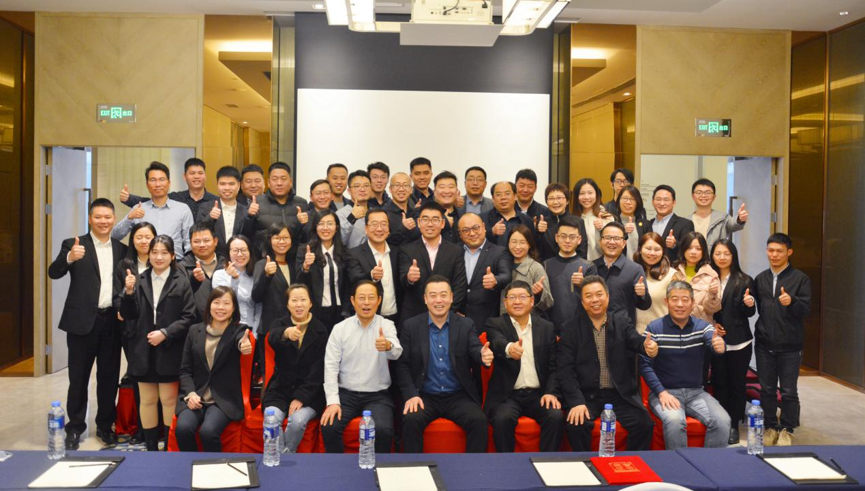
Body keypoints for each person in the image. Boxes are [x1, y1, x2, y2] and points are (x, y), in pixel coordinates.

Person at [48, 198, 127, 449]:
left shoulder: (122, 249)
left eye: (108, 217)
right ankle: (74, 427)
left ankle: (105, 425)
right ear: (90, 218)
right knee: (79, 378)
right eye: (98, 217)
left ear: (114, 219)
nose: (103, 221)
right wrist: (69, 258)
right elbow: (54, 272)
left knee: (108, 377)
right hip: (81, 322)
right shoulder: (73, 244)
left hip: (111, 322)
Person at [558, 275, 656, 451]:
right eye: (589, 296)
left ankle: (629, 463)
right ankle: (586, 464)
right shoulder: (570, 329)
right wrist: (577, 402)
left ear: (608, 297)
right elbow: (565, 370)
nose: (595, 300)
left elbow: (635, 341)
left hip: (619, 394)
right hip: (587, 396)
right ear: (583, 302)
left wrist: (647, 346)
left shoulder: (622, 323)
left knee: (644, 424)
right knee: (576, 425)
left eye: (599, 294)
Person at [397, 276, 492, 453]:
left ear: (451, 297)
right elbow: (402, 365)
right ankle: (414, 468)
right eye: (433, 295)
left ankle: (475, 468)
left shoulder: (465, 324)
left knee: (478, 420)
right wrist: (411, 395)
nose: (438, 300)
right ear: (425, 299)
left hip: (457, 395)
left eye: (443, 295)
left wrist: (482, 354)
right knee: (411, 419)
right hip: (424, 395)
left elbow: (475, 348)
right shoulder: (411, 326)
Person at [120, 235, 196, 451]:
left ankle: (168, 446)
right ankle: (151, 447)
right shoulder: (138, 279)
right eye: (154, 252)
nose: (159, 257)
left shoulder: (181, 281)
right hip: (142, 349)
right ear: (149, 255)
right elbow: (128, 314)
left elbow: (189, 317)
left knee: (169, 400)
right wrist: (128, 292)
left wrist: (166, 333)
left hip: (170, 349)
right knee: (147, 399)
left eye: (164, 253)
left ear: (172, 256)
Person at [640, 281, 730, 450]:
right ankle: (679, 464)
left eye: (685, 299)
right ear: (667, 302)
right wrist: (661, 393)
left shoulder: (702, 327)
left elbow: (713, 342)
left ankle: (710, 463)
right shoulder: (654, 328)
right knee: (675, 422)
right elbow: (644, 365)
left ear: (692, 302)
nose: (680, 304)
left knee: (722, 421)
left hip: (696, 393)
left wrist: (719, 345)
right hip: (665, 392)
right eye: (674, 299)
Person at [321, 280, 403, 453]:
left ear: (379, 300)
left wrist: (387, 346)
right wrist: (333, 401)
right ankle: (337, 466)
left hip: (377, 395)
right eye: (362, 298)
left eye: (371, 298)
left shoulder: (386, 325)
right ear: (352, 301)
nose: (366, 303)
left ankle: (379, 466)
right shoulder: (340, 329)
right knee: (330, 426)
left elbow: (396, 353)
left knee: (383, 430)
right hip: (346, 394)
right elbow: (330, 367)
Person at [485, 281, 564, 452]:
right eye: (512, 297)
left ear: (532, 300)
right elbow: (497, 341)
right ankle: (506, 463)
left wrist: (551, 392)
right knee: (502, 419)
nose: (517, 302)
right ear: (505, 302)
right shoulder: (495, 324)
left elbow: (554, 365)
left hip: (538, 394)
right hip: (508, 395)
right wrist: (509, 348)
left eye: (522, 297)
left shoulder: (546, 327)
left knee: (555, 416)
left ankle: (546, 462)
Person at [175, 287, 253, 452]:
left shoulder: (239, 330)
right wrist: (190, 393)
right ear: (209, 305)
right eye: (216, 302)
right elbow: (185, 370)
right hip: (196, 395)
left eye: (226, 303)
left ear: (233, 308)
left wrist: (244, 345)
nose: (221, 307)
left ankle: (215, 464)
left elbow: (241, 341)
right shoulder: (194, 331)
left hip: (222, 400)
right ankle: (190, 462)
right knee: (183, 429)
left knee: (208, 432)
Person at [753, 233, 811, 447]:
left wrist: (792, 301)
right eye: (771, 250)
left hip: (790, 346)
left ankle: (787, 429)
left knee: (788, 391)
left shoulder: (801, 279)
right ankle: (770, 426)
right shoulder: (760, 279)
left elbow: (806, 310)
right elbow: (759, 309)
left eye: (779, 251)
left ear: (789, 252)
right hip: (764, 344)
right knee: (766, 389)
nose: (774, 255)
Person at [262, 284, 328, 453]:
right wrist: (286, 333)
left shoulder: (321, 330)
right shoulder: (280, 324)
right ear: (287, 304)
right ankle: (280, 458)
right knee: (271, 420)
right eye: (294, 300)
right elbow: (272, 338)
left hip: (310, 393)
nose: (299, 304)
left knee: (297, 421)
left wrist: (301, 397)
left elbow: (319, 371)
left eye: (303, 300)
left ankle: (284, 456)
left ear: (310, 303)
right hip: (280, 389)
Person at [710, 239, 756, 445]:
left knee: (737, 384)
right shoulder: (708, 278)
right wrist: (713, 325)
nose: (722, 257)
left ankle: (734, 425)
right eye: (718, 253)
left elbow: (750, 312)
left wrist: (749, 303)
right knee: (719, 383)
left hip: (739, 342)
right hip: (715, 339)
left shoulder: (744, 280)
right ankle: (722, 422)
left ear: (733, 256)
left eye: (726, 253)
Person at [398, 201, 468, 323]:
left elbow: (459, 285)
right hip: (414, 316)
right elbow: (402, 283)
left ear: (442, 223)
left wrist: (446, 312)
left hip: (446, 316)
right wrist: (409, 278)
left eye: (435, 220)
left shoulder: (455, 251)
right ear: (419, 222)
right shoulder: (407, 249)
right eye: (425, 219)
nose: (430, 224)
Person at [112, 161, 194, 256]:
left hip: (176, 262)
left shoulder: (182, 209)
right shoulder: (138, 209)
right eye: (153, 180)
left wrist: (186, 263)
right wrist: (129, 218)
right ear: (147, 184)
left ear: (169, 183)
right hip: (145, 262)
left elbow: (189, 243)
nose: (158, 184)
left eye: (162, 179)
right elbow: (115, 236)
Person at [458, 213, 511, 334]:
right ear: (460, 234)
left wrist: (495, 280)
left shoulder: (499, 252)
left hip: (486, 319)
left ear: (483, 227)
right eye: (466, 230)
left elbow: (506, 275)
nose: (472, 233)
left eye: (476, 228)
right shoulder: (454, 251)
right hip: (458, 318)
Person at [345, 209, 402, 324]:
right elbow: (355, 279)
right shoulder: (354, 253)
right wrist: (372, 276)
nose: (379, 229)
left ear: (389, 229)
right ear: (366, 229)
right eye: (374, 224)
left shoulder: (398, 252)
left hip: (397, 318)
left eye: (384, 224)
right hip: (369, 318)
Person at [297, 211, 349, 332]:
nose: (325, 228)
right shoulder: (305, 250)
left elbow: (347, 284)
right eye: (321, 224)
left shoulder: (344, 252)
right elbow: (299, 283)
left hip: (339, 311)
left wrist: (346, 311)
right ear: (315, 227)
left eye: (330, 223)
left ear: (336, 228)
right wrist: (305, 267)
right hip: (315, 311)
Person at [543, 215, 596, 333]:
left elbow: (594, 300)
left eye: (572, 237)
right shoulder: (546, 265)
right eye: (563, 236)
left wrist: (583, 284)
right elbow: (544, 302)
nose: (567, 241)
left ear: (579, 239)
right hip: (551, 329)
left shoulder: (589, 266)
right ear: (556, 238)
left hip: (581, 329)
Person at [120, 158, 218, 219]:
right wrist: (128, 198)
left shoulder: (215, 201)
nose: (196, 177)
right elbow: (151, 201)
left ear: (205, 176)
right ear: (184, 176)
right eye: (192, 173)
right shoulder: (176, 198)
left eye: (200, 173)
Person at [593, 222, 651, 326]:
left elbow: (644, 305)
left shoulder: (635, 269)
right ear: (600, 242)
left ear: (624, 243)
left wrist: (642, 294)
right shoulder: (591, 267)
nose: (612, 242)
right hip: (594, 328)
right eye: (607, 238)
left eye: (616, 238)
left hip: (623, 330)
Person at [197, 166, 255, 258]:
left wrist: (250, 216)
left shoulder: (245, 211)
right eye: (222, 184)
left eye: (231, 184)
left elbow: (249, 236)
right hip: (213, 259)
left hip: (238, 259)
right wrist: (210, 217)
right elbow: (197, 233)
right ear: (217, 185)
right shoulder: (206, 207)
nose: (227, 188)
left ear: (239, 185)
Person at [252, 162, 308, 253]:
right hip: (264, 257)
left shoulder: (302, 204)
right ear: (268, 182)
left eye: (283, 179)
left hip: (294, 258)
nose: (279, 183)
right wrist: (248, 216)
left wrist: (304, 224)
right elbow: (246, 233)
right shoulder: (256, 203)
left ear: (290, 182)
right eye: (275, 179)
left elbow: (307, 236)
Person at [212, 235, 262, 335]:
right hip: (226, 329)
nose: (240, 254)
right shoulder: (219, 275)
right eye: (235, 250)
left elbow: (259, 307)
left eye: (243, 250)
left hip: (251, 328)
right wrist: (234, 280)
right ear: (228, 253)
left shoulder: (255, 275)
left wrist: (255, 334)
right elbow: (226, 301)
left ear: (250, 252)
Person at [252, 224, 295, 340]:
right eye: (277, 238)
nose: (282, 241)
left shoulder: (293, 266)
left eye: (286, 238)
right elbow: (256, 296)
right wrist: (266, 275)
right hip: (269, 330)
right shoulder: (262, 264)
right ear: (269, 240)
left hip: (292, 329)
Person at [178, 222, 225, 320]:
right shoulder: (181, 267)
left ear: (215, 241)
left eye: (206, 240)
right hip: (193, 324)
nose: (202, 245)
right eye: (196, 241)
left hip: (225, 323)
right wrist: (193, 280)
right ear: (190, 243)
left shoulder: (227, 264)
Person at [672, 231, 721, 323]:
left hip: (700, 327)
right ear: (683, 249)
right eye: (689, 248)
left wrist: (712, 294)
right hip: (674, 325)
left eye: (698, 249)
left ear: (703, 251)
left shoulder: (711, 275)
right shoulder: (674, 272)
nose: (693, 252)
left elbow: (712, 310)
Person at [633, 232, 676, 334]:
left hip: (661, 334)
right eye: (648, 248)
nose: (652, 253)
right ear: (640, 249)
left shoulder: (671, 275)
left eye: (657, 249)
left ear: (663, 251)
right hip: (633, 335)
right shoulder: (631, 272)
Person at [504, 225, 553, 313]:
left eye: (522, 242)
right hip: (504, 319)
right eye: (514, 242)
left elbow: (549, 302)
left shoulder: (536, 268)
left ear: (529, 244)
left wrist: (540, 293)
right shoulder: (503, 265)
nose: (517, 246)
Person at [537, 183, 588, 261]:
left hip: (573, 266)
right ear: (546, 202)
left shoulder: (578, 221)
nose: (555, 202)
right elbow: (537, 250)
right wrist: (538, 232)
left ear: (567, 201)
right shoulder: (541, 223)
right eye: (551, 198)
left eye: (559, 198)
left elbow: (582, 252)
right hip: (546, 266)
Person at [691, 178, 748, 246]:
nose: (703, 196)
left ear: (714, 197)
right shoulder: (686, 221)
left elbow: (733, 224)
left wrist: (739, 219)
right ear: (693, 196)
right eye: (699, 193)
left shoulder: (722, 218)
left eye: (708, 193)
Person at [648, 184, 694, 261]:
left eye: (666, 200)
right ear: (653, 202)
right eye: (658, 199)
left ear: (674, 202)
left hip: (673, 267)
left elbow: (689, 250)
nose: (662, 203)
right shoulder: (648, 223)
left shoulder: (685, 224)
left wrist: (674, 245)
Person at [483, 181, 534, 248]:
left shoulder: (527, 220)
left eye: (507, 194)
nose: (503, 197)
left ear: (515, 196)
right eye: (498, 194)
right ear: (493, 198)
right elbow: (475, 243)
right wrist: (491, 232)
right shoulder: (482, 219)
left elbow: (533, 245)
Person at [573, 178, 612, 261]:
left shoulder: (606, 217)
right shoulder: (572, 219)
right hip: (578, 264)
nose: (586, 197)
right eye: (582, 193)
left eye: (590, 193)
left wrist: (604, 227)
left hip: (601, 264)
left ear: (597, 194)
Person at [382, 172, 420, 247]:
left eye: (405, 185)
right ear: (390, 189)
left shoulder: (415, 212)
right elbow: (383, 242)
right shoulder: (383, 213)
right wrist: (403, 229)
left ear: (411, 189)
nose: (401, 189)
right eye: (397, 185)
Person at [336, 170, 372, 248]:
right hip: (351, 255)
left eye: (366, 185)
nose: (362, 189)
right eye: (357, 186)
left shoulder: (375, 212)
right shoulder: (340, 214)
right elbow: (338, 241)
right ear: (349, 191)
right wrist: (352, 218)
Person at [615, 185, 650, 258]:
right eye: (625, 198)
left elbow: (649, 247)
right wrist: (623, 231)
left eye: (632, 199)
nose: (628, 202)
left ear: (637, 203)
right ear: (619, 201)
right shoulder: (613, 222)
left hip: (639, 264)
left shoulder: (645, 224)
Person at [433, 171, 462, 243]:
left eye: (451, 187)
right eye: (442, 187)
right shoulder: (424, 214)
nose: (446, 191)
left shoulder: (463, 216)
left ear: (457, 191)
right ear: (434, 191)